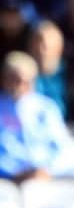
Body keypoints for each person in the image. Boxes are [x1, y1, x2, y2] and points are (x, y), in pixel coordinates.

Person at [0, 51, 70, 183]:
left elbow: (60, 145)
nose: (20, 85)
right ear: (4, 79)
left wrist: (43, 169)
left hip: (43, 177)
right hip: (6, 180)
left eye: (26, 81)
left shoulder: (47, 108)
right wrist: (15, 173)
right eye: (15, 79)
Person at [28, 20, 67, 119]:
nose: (40, 50)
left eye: (45, 46)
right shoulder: (22, 75)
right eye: (36, 43)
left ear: (59, 48)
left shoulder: (71, 75)